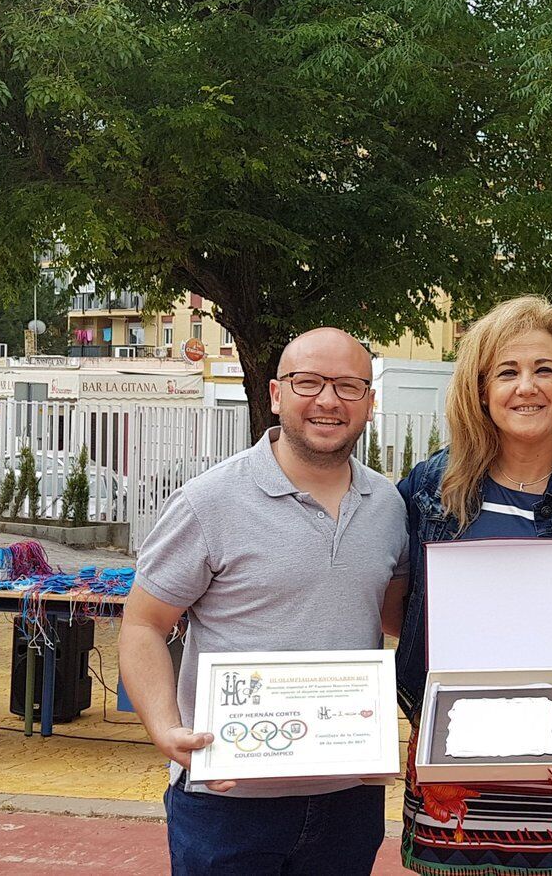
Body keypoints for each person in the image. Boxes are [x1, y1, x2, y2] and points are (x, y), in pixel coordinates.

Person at [119, 328, 409, 876]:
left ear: (370, 403)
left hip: (349, 794)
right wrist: (164, 727)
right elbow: (143, 625)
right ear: (277, 394)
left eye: (348, 386)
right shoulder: (209, 501)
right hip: (228, 798)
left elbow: (394, 618)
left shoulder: (389, 505)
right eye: (308, 383)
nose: (328, 400)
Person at [395, 295, 552, 876]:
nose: (526, 387)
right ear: (481, 390)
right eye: (506, 372)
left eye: (543, 370)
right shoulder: (431, 489)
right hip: (455, 775)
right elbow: (393, 605)